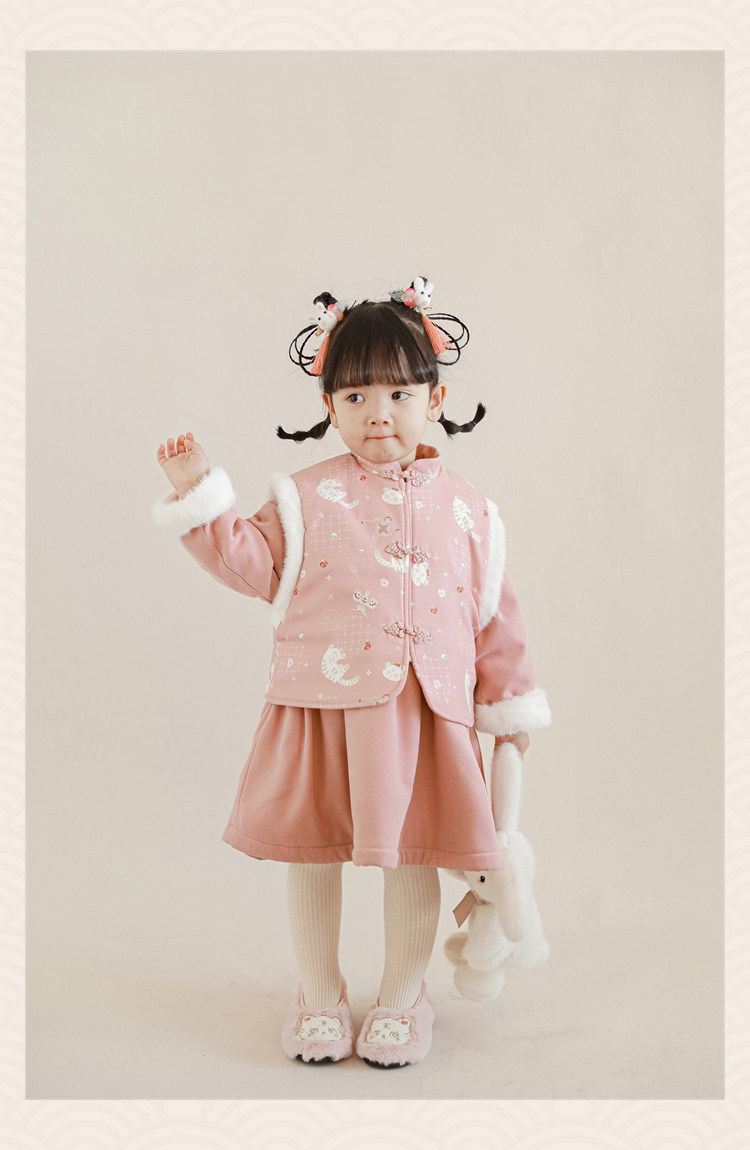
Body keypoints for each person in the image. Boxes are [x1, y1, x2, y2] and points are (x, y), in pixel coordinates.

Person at [151, 276, 551, 1069]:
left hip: (423, 717)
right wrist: (200, 495)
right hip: (321, 707)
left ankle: (404, 996)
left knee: (415, 852)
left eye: (400, 394)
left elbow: (495, 618)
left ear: (435, 399)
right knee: (316, 850)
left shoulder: (473, 511)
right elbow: (249, 562)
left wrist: (509, 709)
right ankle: (318, 994)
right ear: (329, 406)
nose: (379, 413)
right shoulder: (305, 499)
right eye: (357, 395)